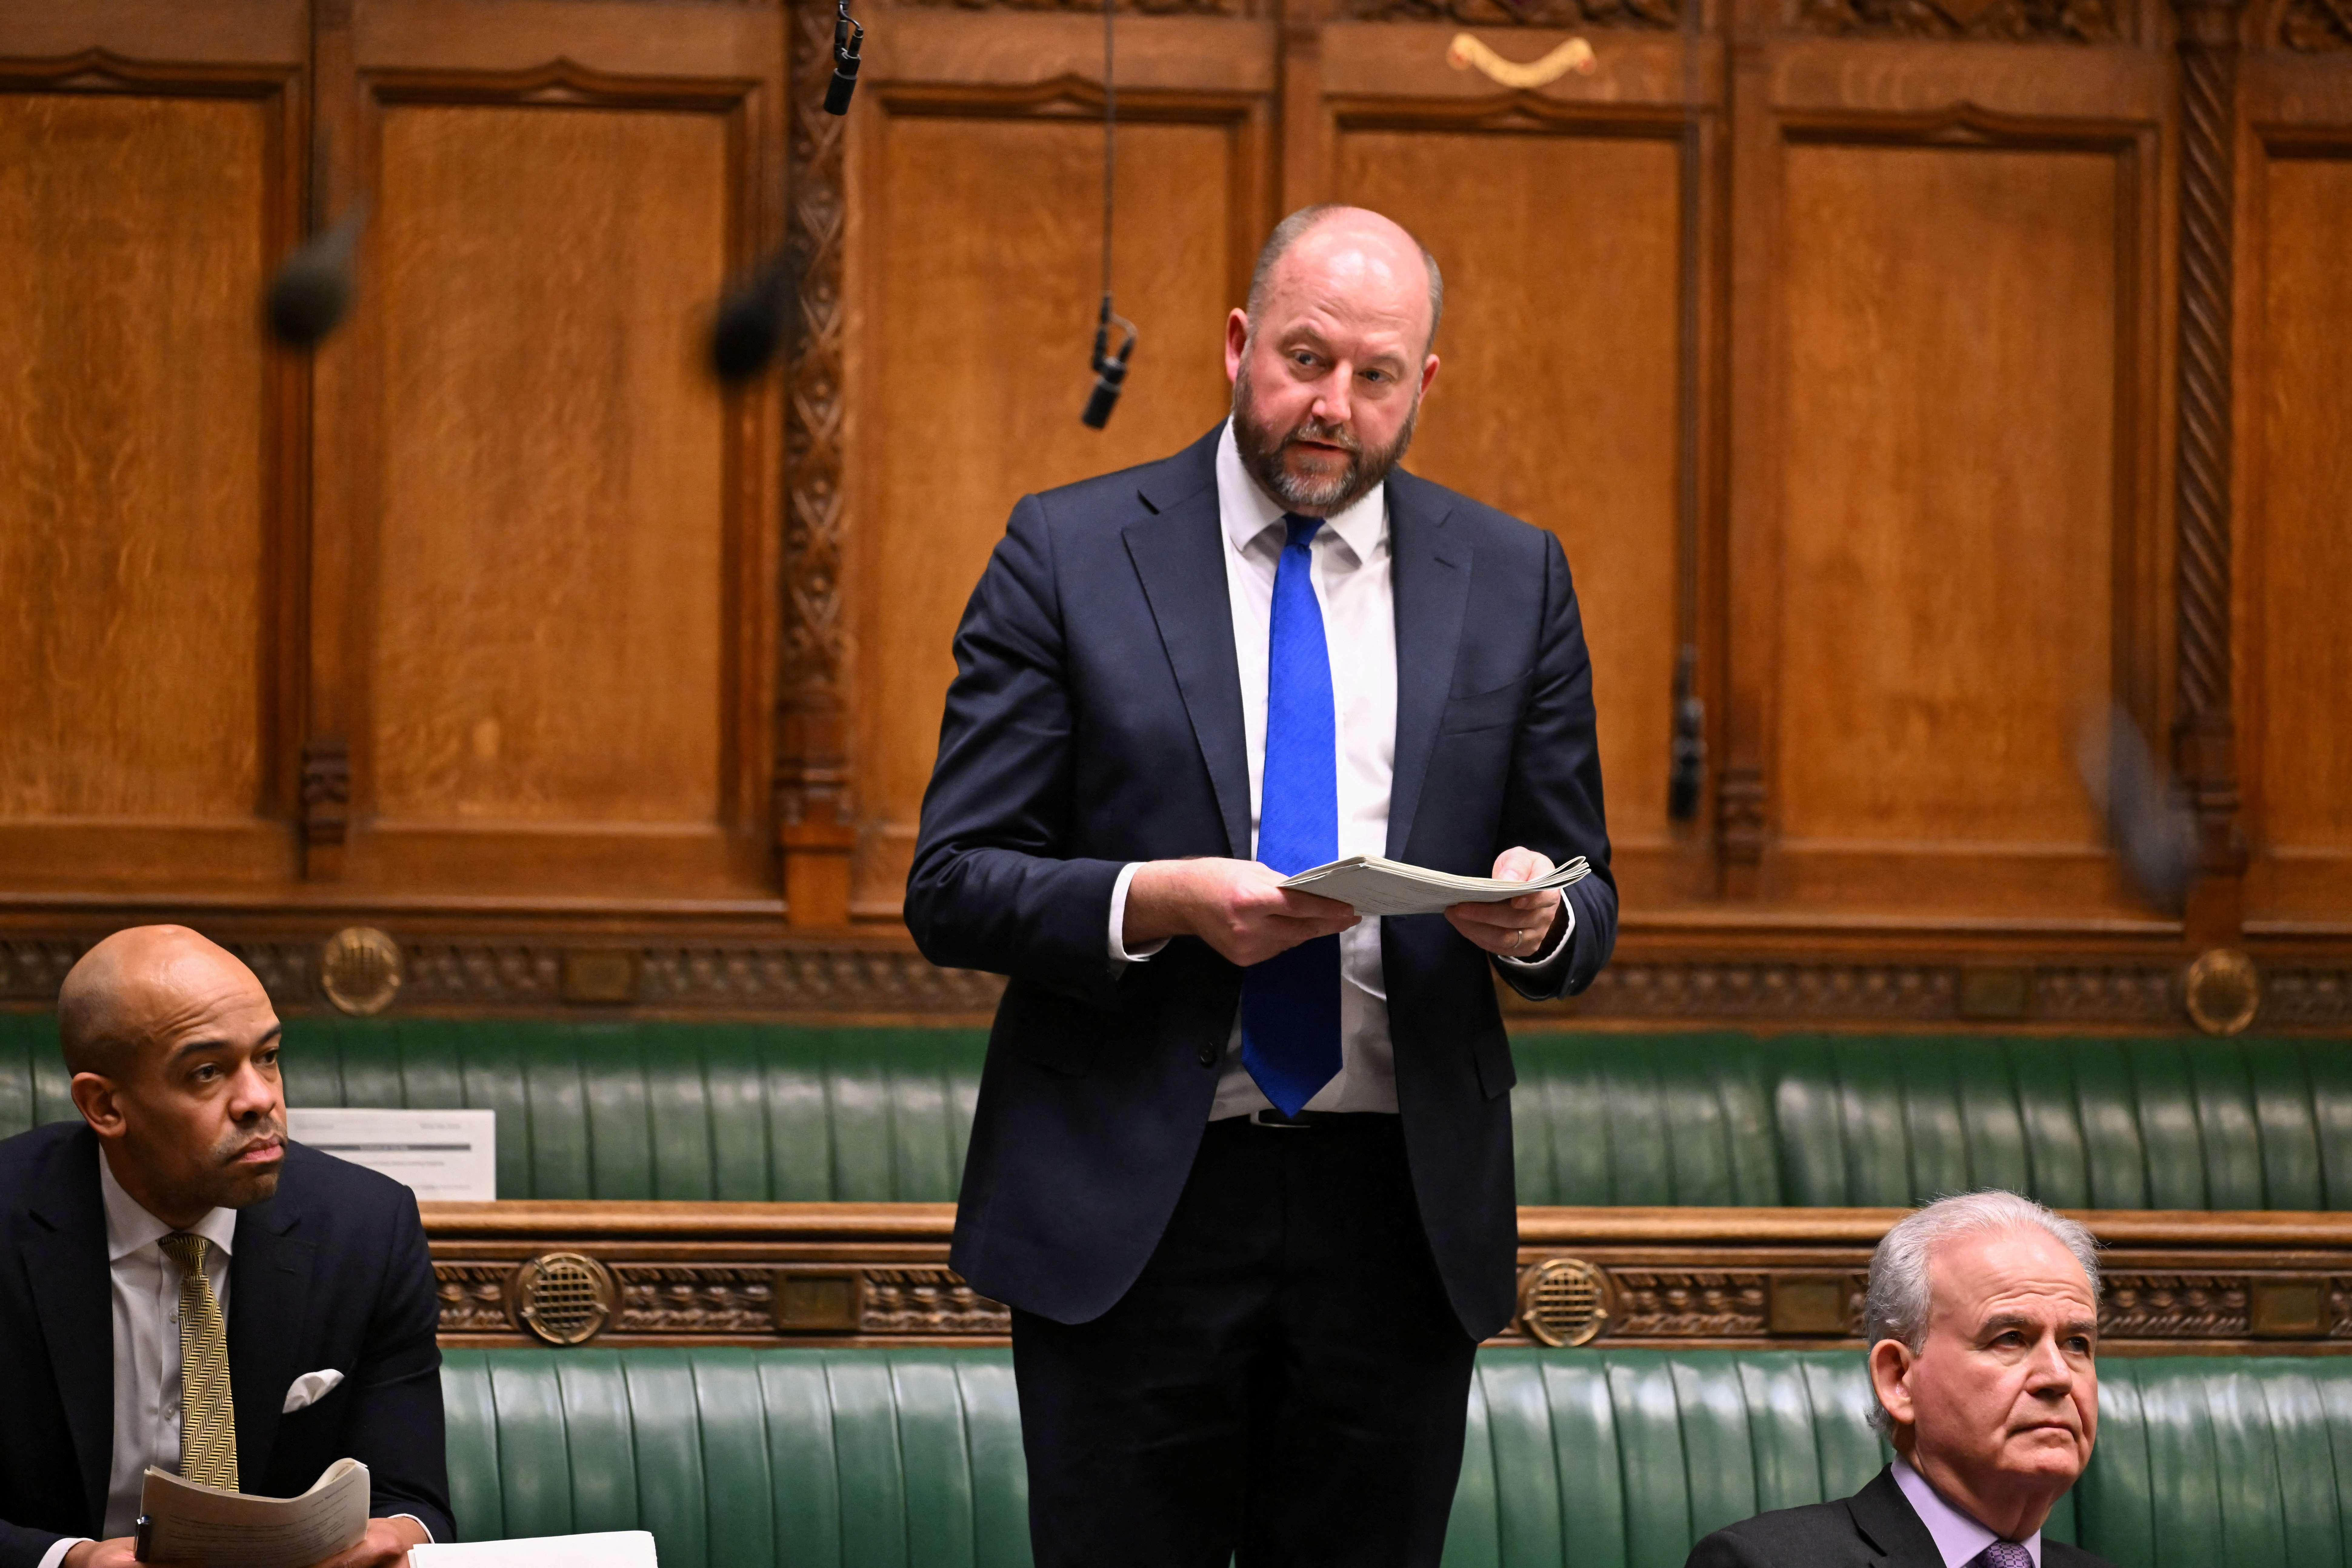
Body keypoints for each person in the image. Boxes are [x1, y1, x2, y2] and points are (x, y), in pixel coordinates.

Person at [904, 204, 1615, 1567]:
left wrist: (1537, 914)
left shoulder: (1512, 576)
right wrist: (1161, 900)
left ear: (1423, 383)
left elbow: (1586, 897)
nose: (1332, 405)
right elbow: (954, 882)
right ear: (1238, 344)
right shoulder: (1067, 551)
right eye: (1304, 359)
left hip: (1397, 1211)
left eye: (1375, 375)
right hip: (1135, 1204)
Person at [0, 927, 452, 1568]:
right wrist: (68, 1560)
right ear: (104, 1105)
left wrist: (397, 1537)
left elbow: (413, 1498)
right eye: (207, 1072)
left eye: (267, 1056)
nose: (261, 1098)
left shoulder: (367, 1228)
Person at [1685, 1190, 2112, 1568]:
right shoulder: (1762, 1562)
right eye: (2011, 1338)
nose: (2058, 1376)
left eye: (2076, 1344)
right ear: (1899, 1379)